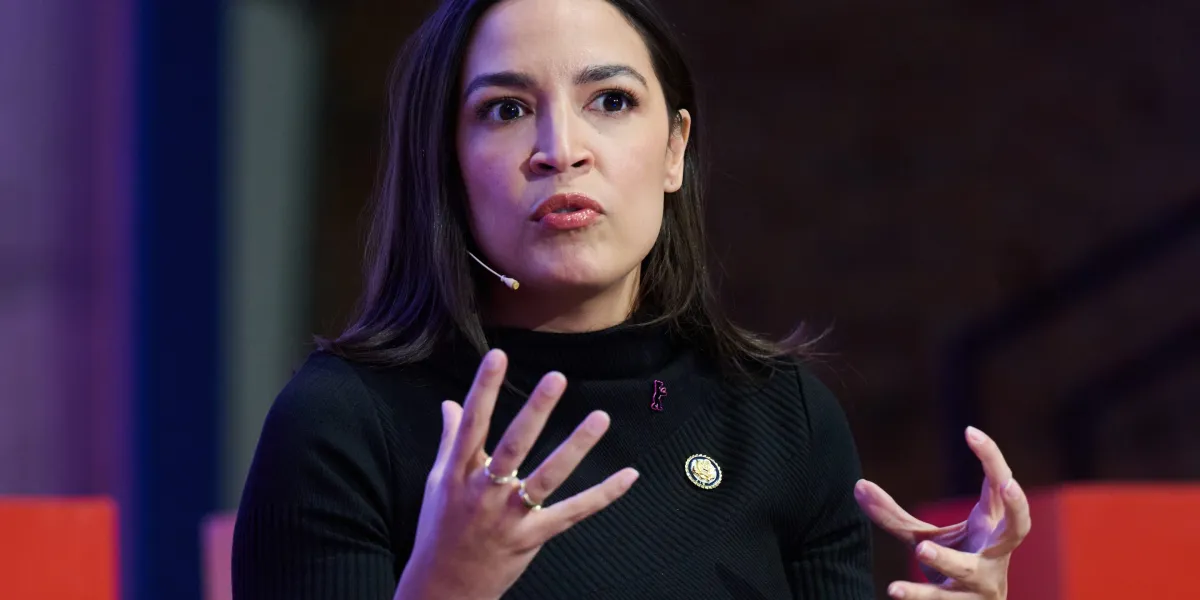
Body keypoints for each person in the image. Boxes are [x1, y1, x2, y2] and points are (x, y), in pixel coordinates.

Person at [231, 0, 1031, 597]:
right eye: (506, 110)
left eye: (610, 101)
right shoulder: (346, 422)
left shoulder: (781, 418)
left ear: (675, 148)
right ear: (446, 163)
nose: (561, 150)